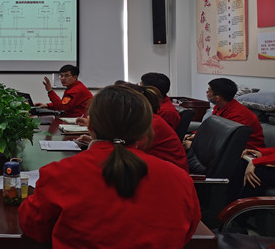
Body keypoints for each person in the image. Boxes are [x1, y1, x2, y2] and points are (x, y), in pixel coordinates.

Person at [19, 85, 200, 249]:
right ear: (146, 130)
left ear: (90, 126)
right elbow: (187, 232)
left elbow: (33, 227)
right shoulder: (179, 179)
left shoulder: (60, 173)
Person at [183, 78, 264, 151]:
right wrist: (193, 135)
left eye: (209, 91)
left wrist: (195, 144)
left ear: (218, 97)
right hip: (223, 145)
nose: (206, 92)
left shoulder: (238, 115)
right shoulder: (219, 107)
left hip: (245, 151)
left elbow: (225, 141)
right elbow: (211, 130)